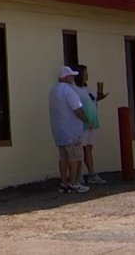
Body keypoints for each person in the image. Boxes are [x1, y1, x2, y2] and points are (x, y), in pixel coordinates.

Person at [49, 65, 92, 193]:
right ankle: (74, 182)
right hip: (72, 131)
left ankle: (64, 182)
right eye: (72, 76)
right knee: (75, 157)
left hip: (59, 130)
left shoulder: (54, 90)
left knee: (63, 157)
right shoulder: (68, 91)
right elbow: (78, 109)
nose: (73, 78)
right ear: (66, 77)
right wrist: (86, 121)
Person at [73, 64, 108, 185]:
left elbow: (92, 101)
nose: (87, 75)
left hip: (92, 122)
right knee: (80, 149)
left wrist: (99, 98)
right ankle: (79, 174)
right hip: (82, 123)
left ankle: (91, 173)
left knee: (88, 148)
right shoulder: (74, 90)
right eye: (85, 73)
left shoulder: (87, 89)